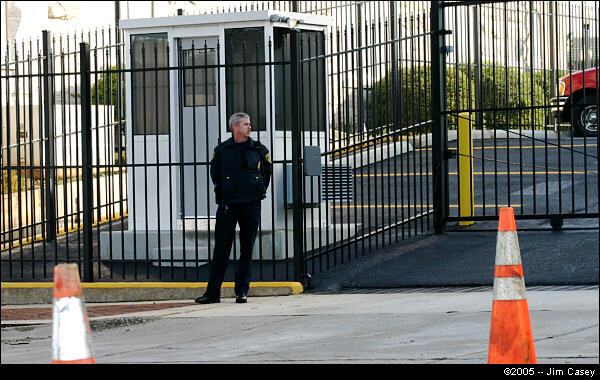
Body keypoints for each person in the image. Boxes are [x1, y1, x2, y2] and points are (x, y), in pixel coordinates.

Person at [195, 112, 272, 304]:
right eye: (246, 124)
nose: (250, 127)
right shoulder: (222, 150)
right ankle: (213, 293)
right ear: (235, 128)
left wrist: (255, 191)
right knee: (221, 248)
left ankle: (242, 291)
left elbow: (266, 174)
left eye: (249, 124)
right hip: (229, 204)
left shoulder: (258, 149)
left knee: (247, 248)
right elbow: (216, 174)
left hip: (251, 204)